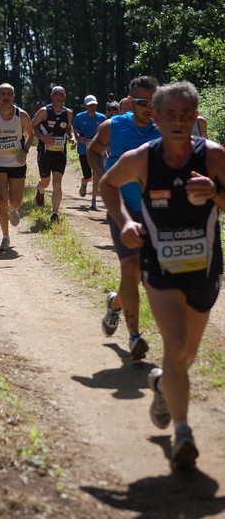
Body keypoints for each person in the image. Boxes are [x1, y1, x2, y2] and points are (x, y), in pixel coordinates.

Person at [99, 80, 225, 468]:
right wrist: (123, 222)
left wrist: (217, 195)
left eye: (186, 114)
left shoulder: (215, 156)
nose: (178, 121)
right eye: (169, 114)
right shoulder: (142, 158)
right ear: (155, 116)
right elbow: (107, 185)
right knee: (174, 343)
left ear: (195, 117)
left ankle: (159, 384)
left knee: (184, 356)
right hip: (160, 268)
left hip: (204, 270)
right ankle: (183, 434)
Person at [88, 75, 160, 360]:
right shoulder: (112, 126)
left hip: (156, 211)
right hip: (122, 207)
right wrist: (103, 176)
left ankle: (115, 304)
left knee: (142, 274)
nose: (148, 109)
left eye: (154, 103)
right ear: (130, 102)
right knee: (131, 269)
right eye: (143, 103)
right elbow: (93, 150)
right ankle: (134, 337)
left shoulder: (163, 128)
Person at [0, 83, 34, 251]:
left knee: (15, 202)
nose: (5, 97)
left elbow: (31, 135)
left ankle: (13, 210)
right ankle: (5, 237)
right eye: (2, 94)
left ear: (13, 96)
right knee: (1, 199)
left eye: (8, 94)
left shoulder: (22, 115)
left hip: (17, 162)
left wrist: (25, 150)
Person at [32, 86, 73, 222]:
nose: (59, 97)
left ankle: (55, 213)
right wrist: (43, 138)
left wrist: (72, 138)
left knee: (57, 182)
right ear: (51, 96)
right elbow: (32, 126)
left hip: (59, 153)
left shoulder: (68, 113)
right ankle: (40, 189)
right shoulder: (44, 111)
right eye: (56, 94)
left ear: (65, 97)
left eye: (61, 94)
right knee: (46, 182)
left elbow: (68, 128)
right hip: (44, 152)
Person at [72, 95, 106, 210]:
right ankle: (84, 182)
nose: (92, 107)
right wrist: (77, 138)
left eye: (93, 105)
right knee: (87, 175)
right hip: (84, 150)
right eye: (89, 105)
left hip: (98, 151)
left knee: (97, 175)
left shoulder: (102, 117)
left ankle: (93, 201)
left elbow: (106, 131)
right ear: (85, 106)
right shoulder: (79, 117)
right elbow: (74, 129)